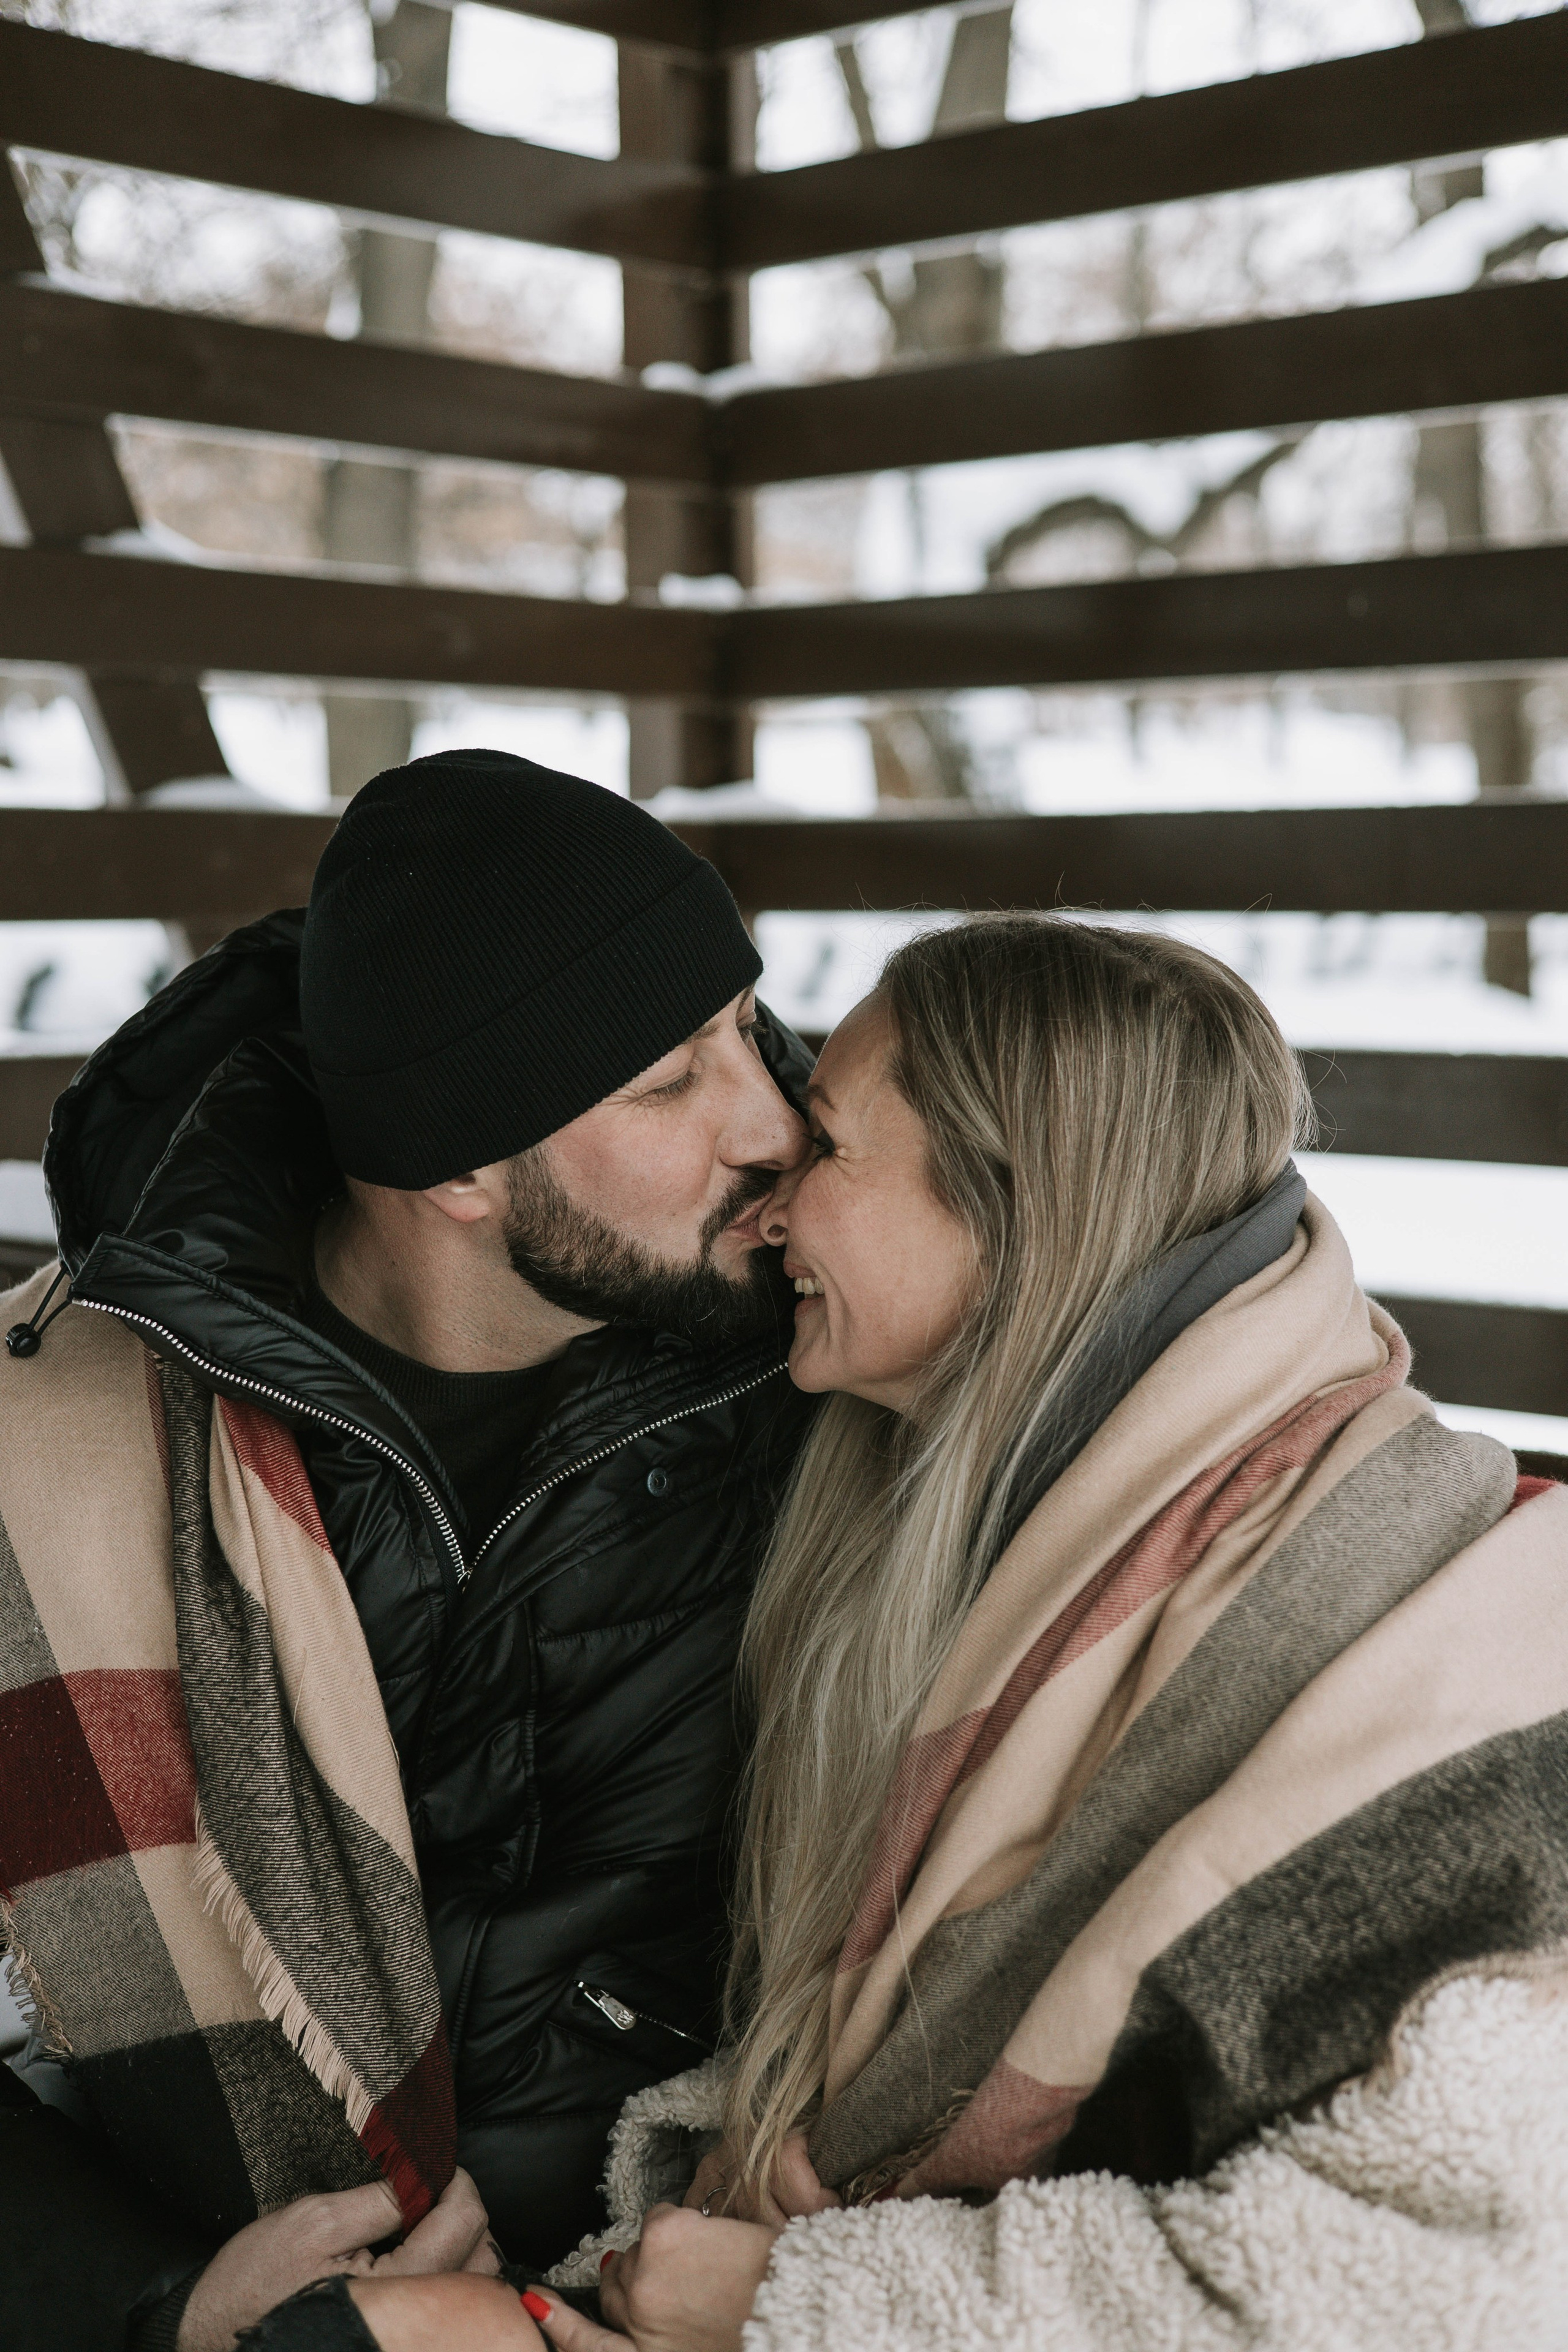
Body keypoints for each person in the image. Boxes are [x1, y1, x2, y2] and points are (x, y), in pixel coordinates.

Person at [363, 912, 1568, 2352]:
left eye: (824, 1143)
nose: (767, 1204)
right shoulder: (1008, 1548)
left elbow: (1459, 2289)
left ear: (1017, 1208)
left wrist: (785, 2305)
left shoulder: (1401, 1638)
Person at [0, 750, 820, 2352]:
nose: (777, 1122)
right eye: (671, 1082)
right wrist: (145, 2301)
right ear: (453, 1164)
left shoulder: (827, 1382)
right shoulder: (57, 1452)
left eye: (743, 1025)